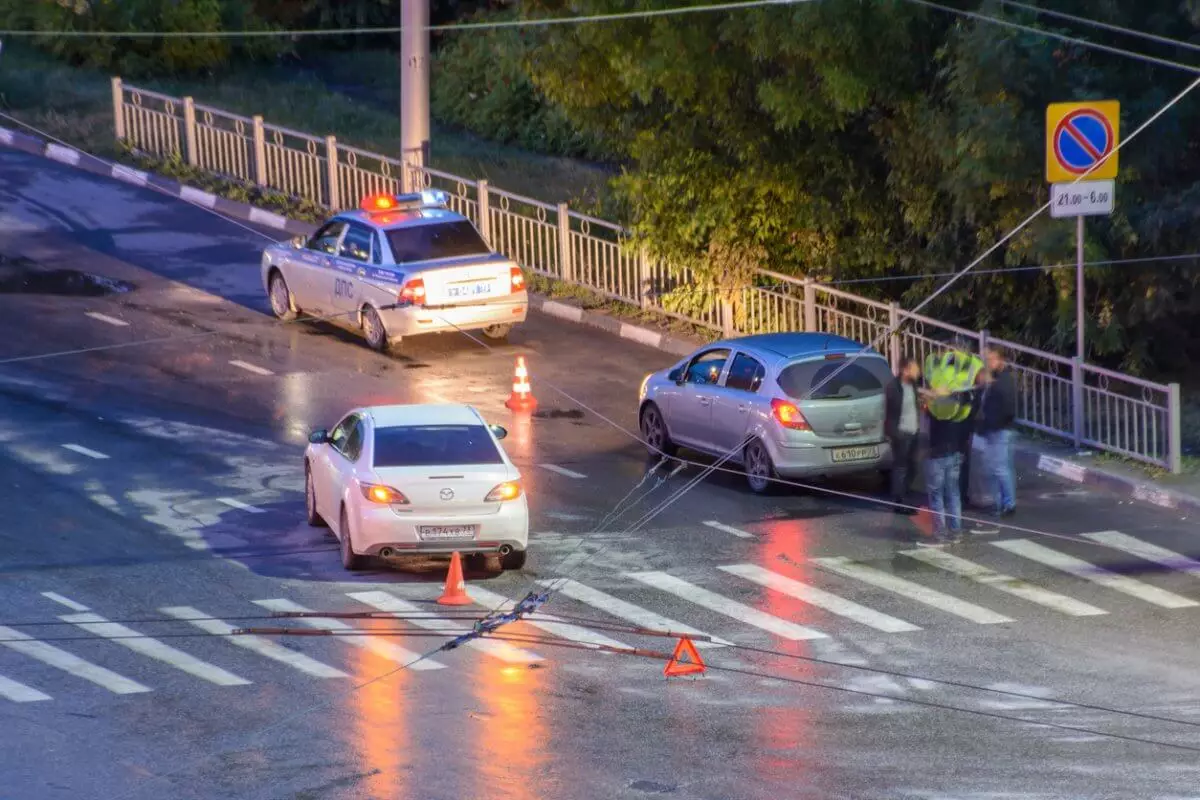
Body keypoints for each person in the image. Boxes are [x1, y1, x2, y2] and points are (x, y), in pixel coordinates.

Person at [918, 351, 979, 546]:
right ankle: (956, 532)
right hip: (954, 454)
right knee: (953, 494)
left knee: (937, 496)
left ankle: (940, 535)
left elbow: (928, 423)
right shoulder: (957, 406)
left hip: (937, 456)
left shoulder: (936, 409)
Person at [924, 339, 985, 507]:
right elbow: (978, 389)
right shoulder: (971, 364)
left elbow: (930, 388)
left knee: (944, 457)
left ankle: (948, 496)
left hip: (943, 417)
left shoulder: (934, 364)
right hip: (961, 419)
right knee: (959, 460)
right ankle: (959, 497)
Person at [979, 345, 1018, 518]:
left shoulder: (1004, 380)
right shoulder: (996, 379)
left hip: (999, 430)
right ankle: (1002, 502)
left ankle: (1007, 503)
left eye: (991, 359)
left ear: (1000, 360)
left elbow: (1007, 407)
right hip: (995, 429)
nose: (988, 362)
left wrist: (994, 424)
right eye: (986, 359)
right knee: (998, 467)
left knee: (999, 468)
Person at [884, 356, 922, 514]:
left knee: (912, 467)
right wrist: (895, 434)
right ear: (905, 369)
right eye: (914, 368)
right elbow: (890, 413)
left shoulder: (912, 385)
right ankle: (899, 502)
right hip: (901, 433)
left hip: (913, 431)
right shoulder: (893, 387)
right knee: (901, 468)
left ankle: (904, 496)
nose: (918, 371)